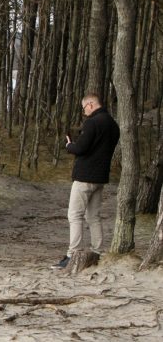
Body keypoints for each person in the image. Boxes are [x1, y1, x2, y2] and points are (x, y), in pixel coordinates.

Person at [51, 93, 120, 270]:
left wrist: (69, 146)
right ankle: (97, 252)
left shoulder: (92, 122)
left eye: (84, 109)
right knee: (93, 216)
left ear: (90, 104)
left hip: (84, 176)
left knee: (75, 215)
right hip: (101, 177)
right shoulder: (113, 124)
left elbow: (81, 148)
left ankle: (73, 253)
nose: (84, 112)